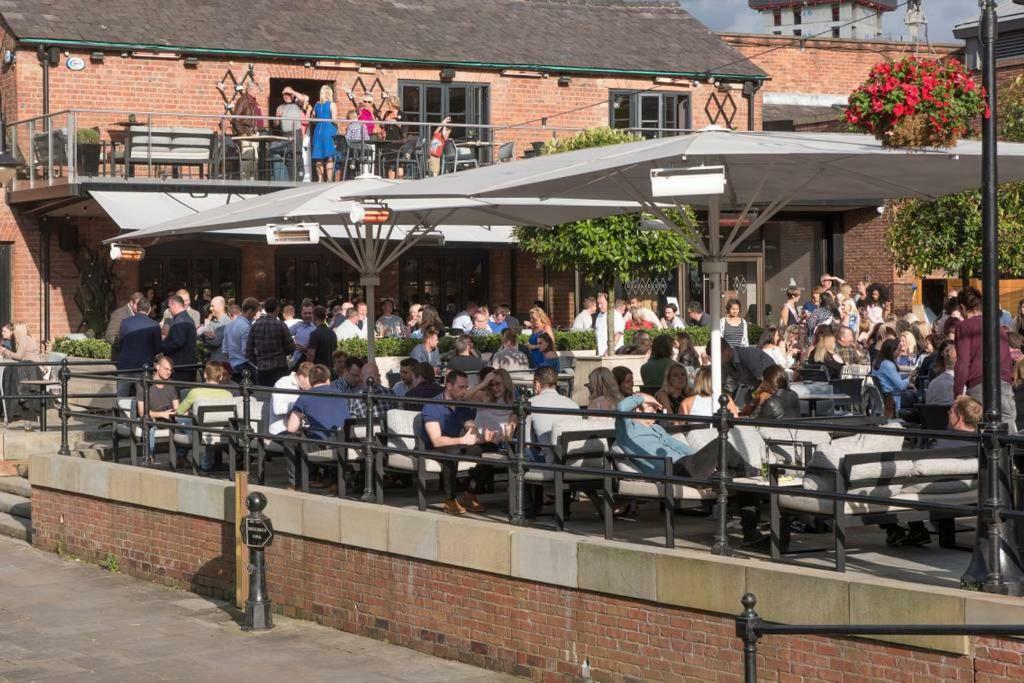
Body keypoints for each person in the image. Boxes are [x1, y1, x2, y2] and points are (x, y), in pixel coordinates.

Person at [420, 370, 494, 515]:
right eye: (461, 387)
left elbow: (470, 427)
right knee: (452, 453)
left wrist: (482, 437)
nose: (464, 391)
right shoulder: (432, 405)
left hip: (455, 443)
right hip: (431, 447)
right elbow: (436, 440)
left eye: (466, 387)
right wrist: (463, 440)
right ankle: (450, 500)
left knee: (487, 451)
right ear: (448, 385)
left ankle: (470, 494)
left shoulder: (461, 405)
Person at [954, 286, 1017, 427]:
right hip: (1004, 383)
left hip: (979, 385)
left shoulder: (964, 327)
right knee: (1008, 431)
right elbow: (1007, 357)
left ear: (962, 307)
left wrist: (958, 393)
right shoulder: (997, 325)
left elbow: (963, 363)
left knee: (980, 431)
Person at [285, 364, 349, 492]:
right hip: (345, 442)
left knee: (290, 440)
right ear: (328, 379)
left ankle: (295, 483)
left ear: (311, 380)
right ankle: (334, 481)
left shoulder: (304, 397)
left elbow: (291, 428)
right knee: (330, 434)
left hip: (322, 445)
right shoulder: (342, 394)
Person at [175, 362, 235, 471]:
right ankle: (206, 463)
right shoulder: (228, 394)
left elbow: (179, 411)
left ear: (205, 375)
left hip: (200, 430)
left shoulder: (195, 392)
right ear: (221, 376)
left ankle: (181, 455)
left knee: (179, 419)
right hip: (221, 430)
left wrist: (189, 413)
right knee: (208, 424)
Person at [135, 355, 179, 460]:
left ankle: (181, 457)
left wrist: (180, 413)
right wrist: (162, 414)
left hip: (169, 418)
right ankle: (149, 456)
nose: (168, 372)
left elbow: (177, 407)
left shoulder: (171, 384)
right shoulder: (144, 384)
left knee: (188, 423)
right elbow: (142, 412)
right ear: (157, 367)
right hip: (151, 418)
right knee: (149, 425)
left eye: (171, 370)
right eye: (166, 369)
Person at [115, 298, 161, 396]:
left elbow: (121, 342)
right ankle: (140, 412)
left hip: (125, 364)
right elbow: (158, 348)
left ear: (136, 308)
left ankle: (121, 412)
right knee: (143, 396)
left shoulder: (125, 322)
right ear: (149, 309)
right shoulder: (154, 325)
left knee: (122, 395)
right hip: (143, 365)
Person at [244, 298, 295, 387]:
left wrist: (258, 362)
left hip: (262, 368)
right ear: (277, 309)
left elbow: (248, 351)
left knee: (265, 397)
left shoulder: (255, 326)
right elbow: (291, 347)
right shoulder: (281, 325)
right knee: (280, 396)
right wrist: (283, 354)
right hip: (279, 367)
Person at [465, 368, 515, 446]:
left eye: (498, 384)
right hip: (475, 442)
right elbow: (463, 398)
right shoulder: (484, 396)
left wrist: (495, 439)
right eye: (491, 385)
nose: (494, 388)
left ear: (506, 383)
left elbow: (507, 434)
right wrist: (483, 383)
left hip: (496, 445)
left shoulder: (513, 404)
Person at [269, 362, 313, 436]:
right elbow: (277, 409)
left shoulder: (304, 388)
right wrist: (300, 405)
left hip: (300, 430)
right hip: (281, 431)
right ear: (301, 377)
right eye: (311, 382)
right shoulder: (283, 383)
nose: (313, 385)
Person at [161, 295, 198, 383]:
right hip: (187, 365)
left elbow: (177, 342)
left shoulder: (180, 321)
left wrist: (161, 346)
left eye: (169, 307)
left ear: (174, 305)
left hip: (181, 366)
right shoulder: (186, 318)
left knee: (179, 392)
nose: (169, 310)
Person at [224, 297, 259, 383]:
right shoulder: (246, 327)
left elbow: (225, 350)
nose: (255, 315)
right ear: (250, 311)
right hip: (245, 367)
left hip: (232, 366)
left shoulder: (229, 325)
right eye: (255, 312)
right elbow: (246, 351)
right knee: (251, 394)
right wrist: (257, 365)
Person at [872, 338, 910, 414]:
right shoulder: (888, 365)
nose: (900, 353)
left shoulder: (877, 362)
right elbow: (901, 386)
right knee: (917, 397)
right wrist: (910, 378)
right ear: (891, 351)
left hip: (882, 397)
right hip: (892, 398)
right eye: (898, 350)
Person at [105, 291, 145, 361]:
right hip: (122, 358)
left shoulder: (140, 313)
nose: (139, 308)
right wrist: (127, 346)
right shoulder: (119, 314)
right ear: (131, 302)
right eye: (137, 305)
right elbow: (110, 335)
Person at [310, 85, 338, 182]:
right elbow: (334, 119)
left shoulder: (316, 105)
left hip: (318, 131)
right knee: (329, 156)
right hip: (328, 130)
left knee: (319, 156)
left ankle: (320, 179)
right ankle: (329, 179)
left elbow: (312, 120)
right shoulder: (332, 104)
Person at [201, 296, 229, 362]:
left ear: (221, 307)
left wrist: (204, 337)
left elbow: (215, 342)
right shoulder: (212, 322)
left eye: (213, 306)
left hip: (221, 363)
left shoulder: (227, 323)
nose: (210, 308)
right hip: (212, 361)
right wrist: (205, 335)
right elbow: (200, 336)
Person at [289, 301, 316, 367]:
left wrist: (306, 349)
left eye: (310, 313)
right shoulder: (298, 325)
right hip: (296, 362)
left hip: (310, 363)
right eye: (305, 313)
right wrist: (291, 344)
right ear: (301, 313)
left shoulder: (316, 328)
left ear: (313, 313)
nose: (307, 315)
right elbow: (285, 333)